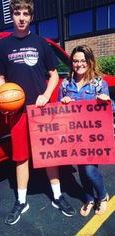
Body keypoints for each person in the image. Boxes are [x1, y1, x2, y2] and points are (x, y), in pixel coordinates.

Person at [0, 0, 76, 225]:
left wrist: (46, 95)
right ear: (12, 16)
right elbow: (0, 76)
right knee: (20, 157)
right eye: (17, 13)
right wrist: (3, 94)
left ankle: (57, 196)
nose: (21, 17)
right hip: (17, 112)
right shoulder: (3, 46)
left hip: (41, 110)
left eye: (25, 14)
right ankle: (21, 201)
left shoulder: (41, 43)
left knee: (49, 154)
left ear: (31, 17)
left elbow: (54, 75)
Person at [58, 45, 111, 216]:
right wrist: (63, 102)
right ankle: (89, 199)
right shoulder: (65, 84)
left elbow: (110, 109)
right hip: (74, 136)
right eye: (75, 61)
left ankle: (102, 196)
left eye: (82, 60)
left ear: (89, 62)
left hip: (93, 136)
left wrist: (107, 101)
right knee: (81, 170)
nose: (79, 64)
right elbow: (57, 110)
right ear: (71, 62)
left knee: (89, 169)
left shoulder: (99, 83)